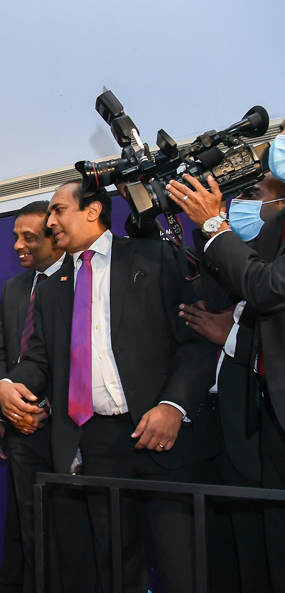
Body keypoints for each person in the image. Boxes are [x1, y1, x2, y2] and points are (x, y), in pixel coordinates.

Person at [0, 181, 218, 593]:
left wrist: (173, 405)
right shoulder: (50, 289)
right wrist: (7, 384)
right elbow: (39, 361)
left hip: (166, 436)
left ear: (93, 211)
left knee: (183, 566)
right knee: (115, 567)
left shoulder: (154, 258)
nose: (50, 221)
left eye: (59, 210)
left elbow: (197, 342)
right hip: (96, 445)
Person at [167, 141, 285, 590]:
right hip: (250, 431)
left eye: (255, 191)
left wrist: (215, 222)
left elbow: (265, 290)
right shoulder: (264, 236)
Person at [0, 201, 94, 593]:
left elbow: (77, 358)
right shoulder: (14, 288)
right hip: (19, 428)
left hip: (68, 429)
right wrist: (4, 409)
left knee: (68, 533)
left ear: (55, 237)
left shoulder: (79, 280)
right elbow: (0, 354)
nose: (18, 245)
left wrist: (43, 407)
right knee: (27, 528)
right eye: (16, 237)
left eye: (28, 237)